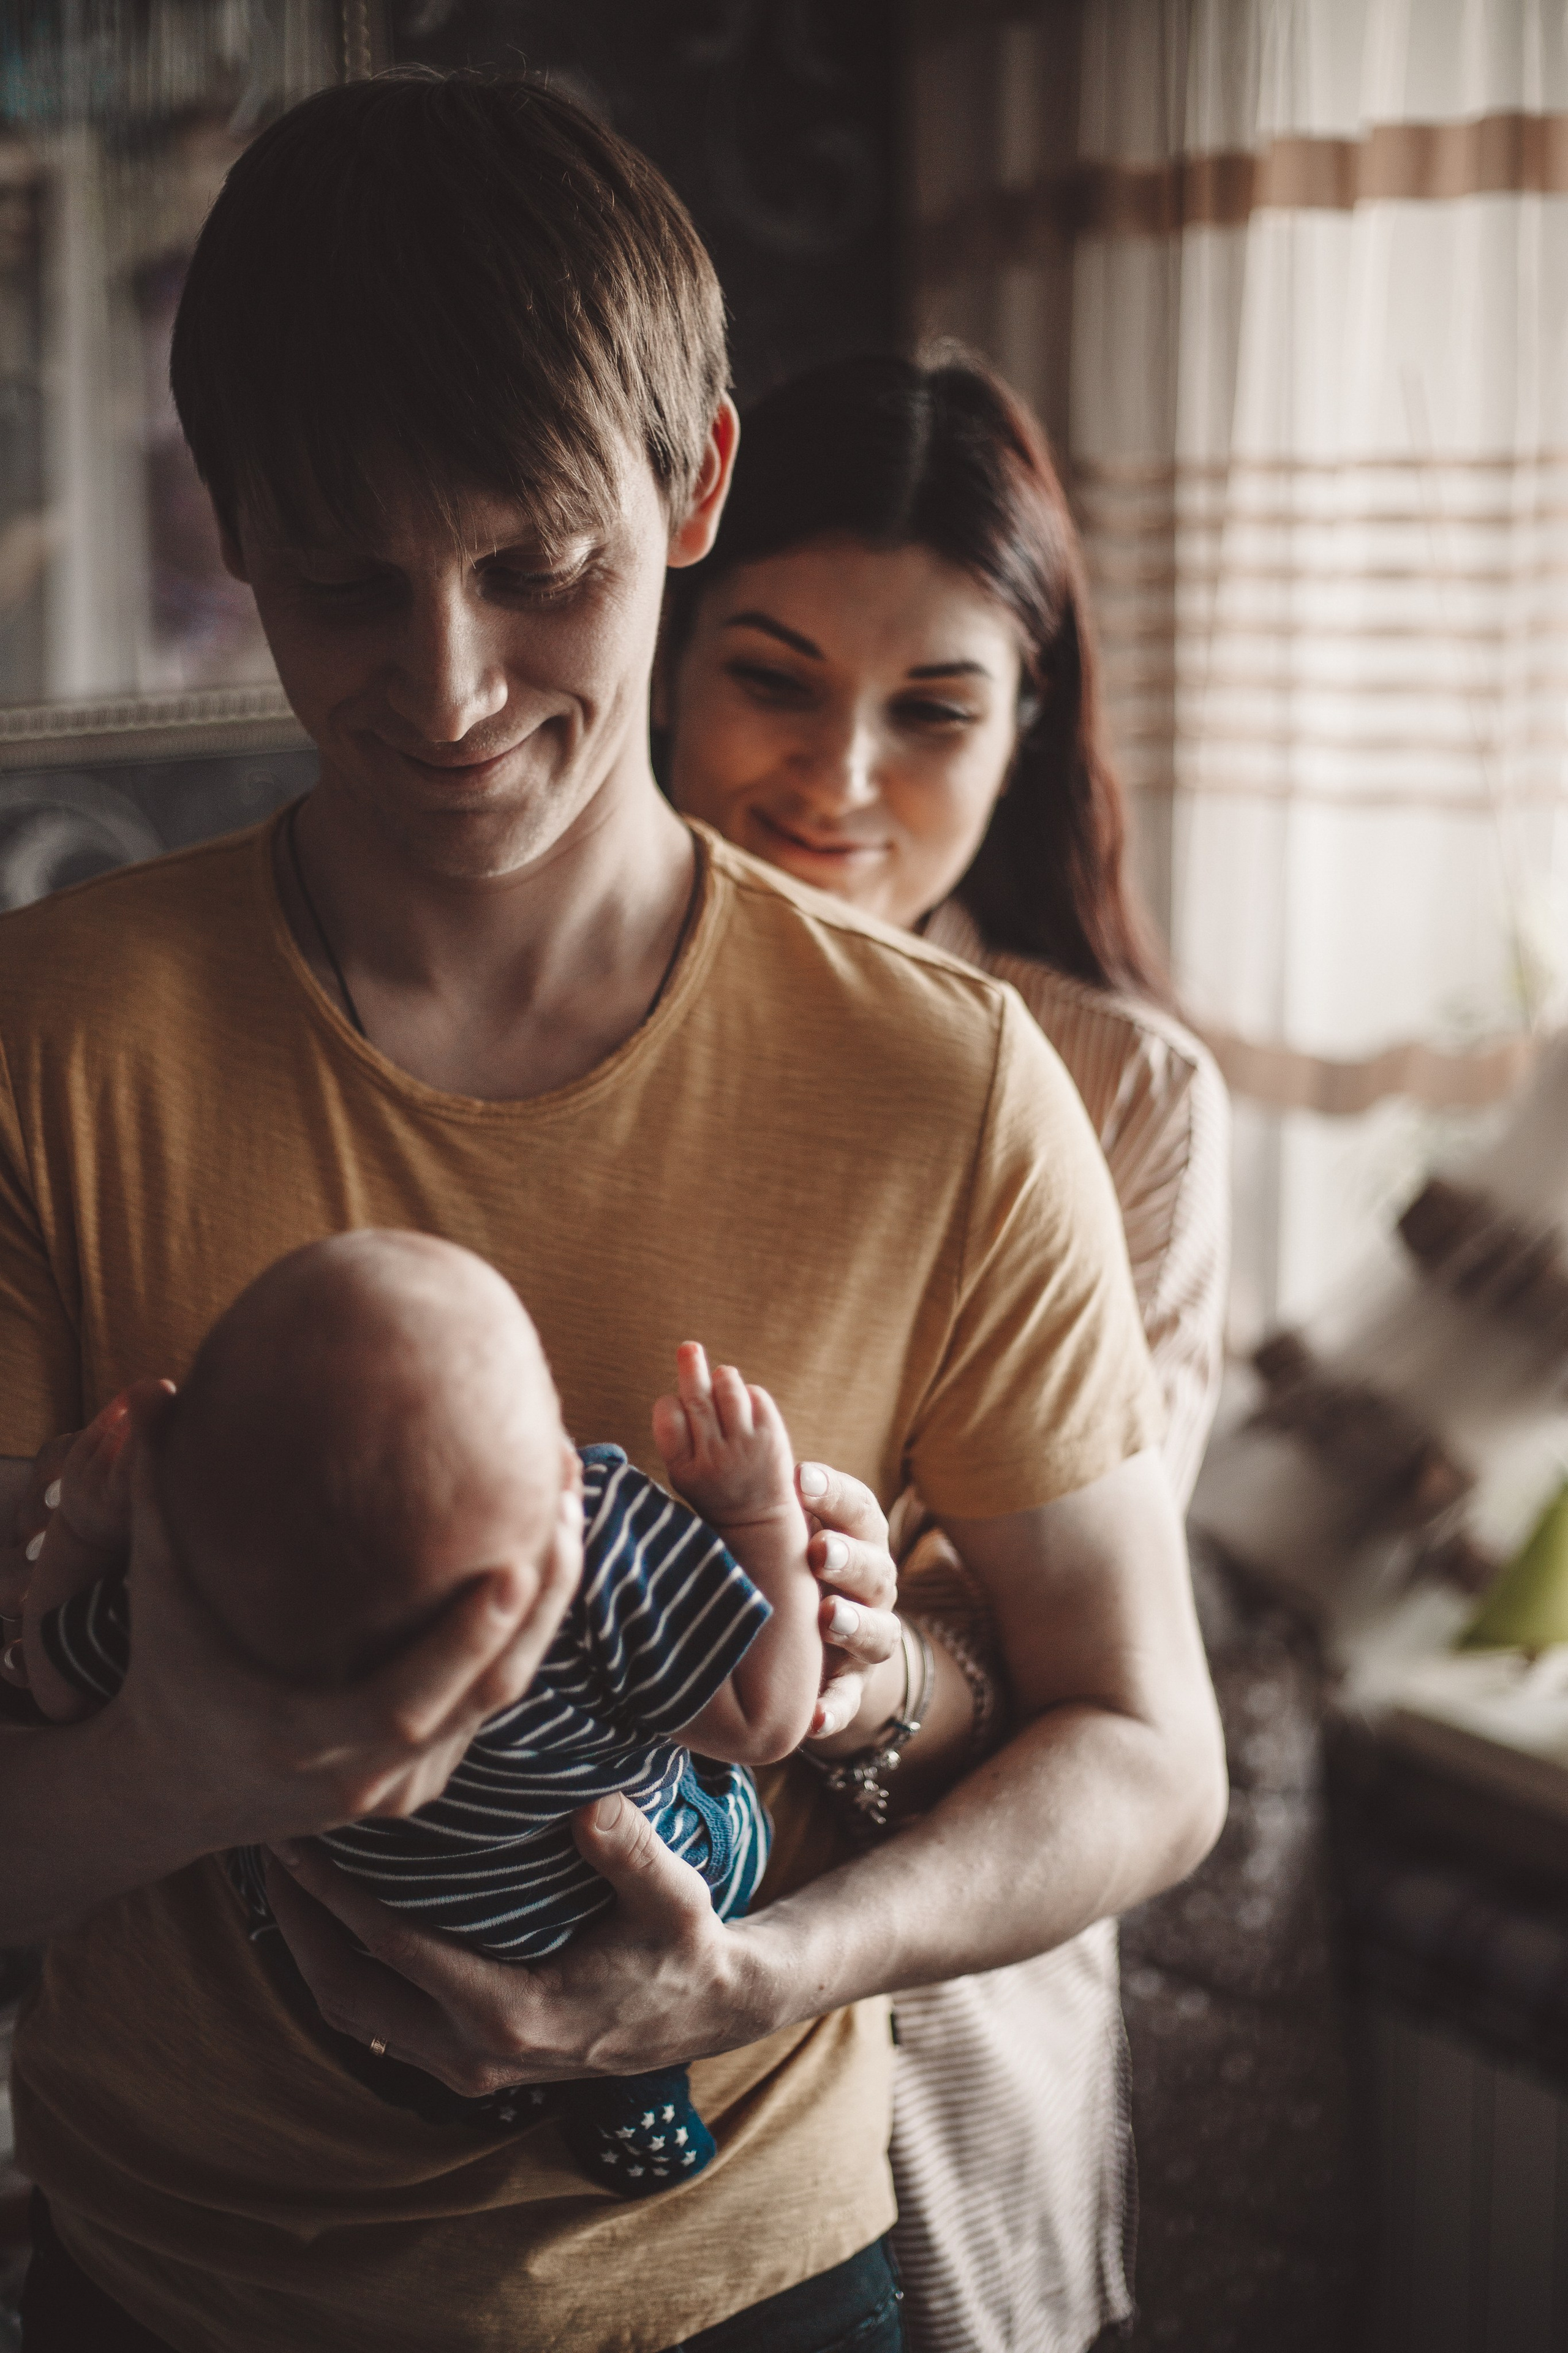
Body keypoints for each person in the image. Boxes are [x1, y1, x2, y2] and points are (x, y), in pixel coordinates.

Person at [0, 73, 1225, 2353]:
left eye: (538, 566)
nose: (449, 689)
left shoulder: (949, 1088)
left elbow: (1148, 1753)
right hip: (163, 2293)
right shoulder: (43, 1043)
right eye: (350, 580)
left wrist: (752, 1973)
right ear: (230, 532)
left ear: (698, 486)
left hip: (750, 2285)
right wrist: (178, 1756)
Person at [659, 349, 1231, 2352]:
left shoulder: (1114, 1097)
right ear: (667, 650)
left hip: (932, 2028)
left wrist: (875, 1676)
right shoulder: (541, 1032)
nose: (840, 779)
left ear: (1032, 724)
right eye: (775, 677)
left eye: (935, 710)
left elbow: (1085, 1671)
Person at [18, 1229, 826, 2196]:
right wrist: (755, 1516)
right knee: (716, 1813)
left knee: (283, 1882)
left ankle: (483, 2096)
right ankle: (636, 2090)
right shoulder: (599, 1545)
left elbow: (55, 1682)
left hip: (384, 1983)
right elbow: (770, 1716)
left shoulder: (191, 1592)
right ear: (561, 1477)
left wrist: (85, 1528)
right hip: (620, 1913)